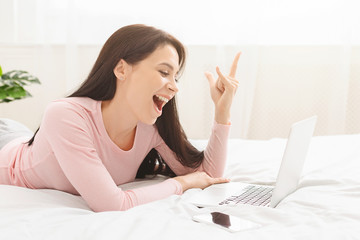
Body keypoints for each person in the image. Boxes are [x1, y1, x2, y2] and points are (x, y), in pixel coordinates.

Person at [0, 24, 241, 212]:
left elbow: (209, 176)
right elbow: (114, 205)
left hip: (25, 138)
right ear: (122, 69)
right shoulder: (65, 115)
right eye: (164, 72)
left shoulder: (150, 127)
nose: (174, 87)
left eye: (175, 77)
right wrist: (183, 184)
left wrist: (222, 112)